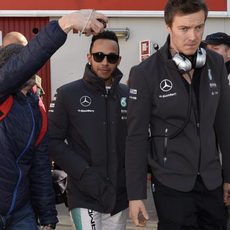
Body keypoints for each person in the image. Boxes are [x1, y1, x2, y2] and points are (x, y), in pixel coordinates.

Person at [125, 0, 230, 229]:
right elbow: (135, 137)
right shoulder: (145, 73)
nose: (193, 36)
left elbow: (224, 124)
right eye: (184, 28)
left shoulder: (215, 64)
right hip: (171, 184)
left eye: (199, 27)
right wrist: (135, 195)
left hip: (212, 180)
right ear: (168, 26)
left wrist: (228, 177)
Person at [0, 10, 107, 230]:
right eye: (24, 66)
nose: (32, 70)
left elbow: (40, 167)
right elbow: (19, 67)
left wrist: (48, 217)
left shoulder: (36, 109)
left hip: (20, 212)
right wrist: (64, 24)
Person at [48, 30, 129, 230]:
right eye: (99, 56)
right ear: (89, 57)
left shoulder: (128, 94)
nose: (104, 62)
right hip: (84, 194)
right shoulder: (67, 94)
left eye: (111, 57)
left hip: (118, 197)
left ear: (118, 60)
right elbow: (53, 141)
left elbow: (137, 141)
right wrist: (83, 173)